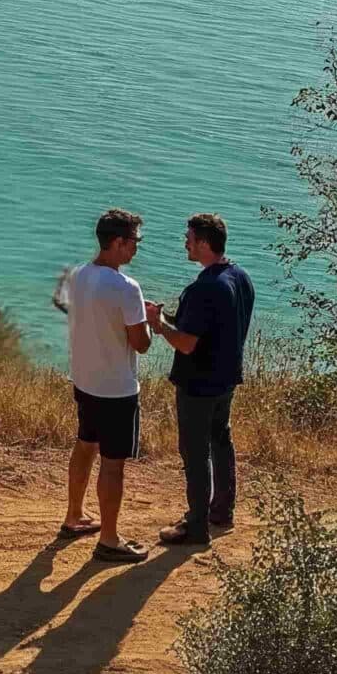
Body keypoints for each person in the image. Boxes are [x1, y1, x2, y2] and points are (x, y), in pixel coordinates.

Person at [146, 213, 255, 546]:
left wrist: (159, 325)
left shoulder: (204, 288)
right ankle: (221, 510)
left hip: (198, 385)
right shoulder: (240, 277)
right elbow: (208, 327)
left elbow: (188, 343)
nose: (185, 243)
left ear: (205, 243)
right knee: (220, 441)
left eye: (190, 238)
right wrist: (167, 317)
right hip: (225, 379)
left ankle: (196, 526)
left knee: (194, 453)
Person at [53, 207, 153, 562]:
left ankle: (74, 516)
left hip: (84, 379)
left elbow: (66, 305)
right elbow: (141, 343)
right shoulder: (128, 288)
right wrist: (147, 318)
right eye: (134, 242)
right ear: (117, 242)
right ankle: (109, 539)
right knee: (113, 464)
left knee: (84, 446)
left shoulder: (76, 275)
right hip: (116, 388)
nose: (136, 249)